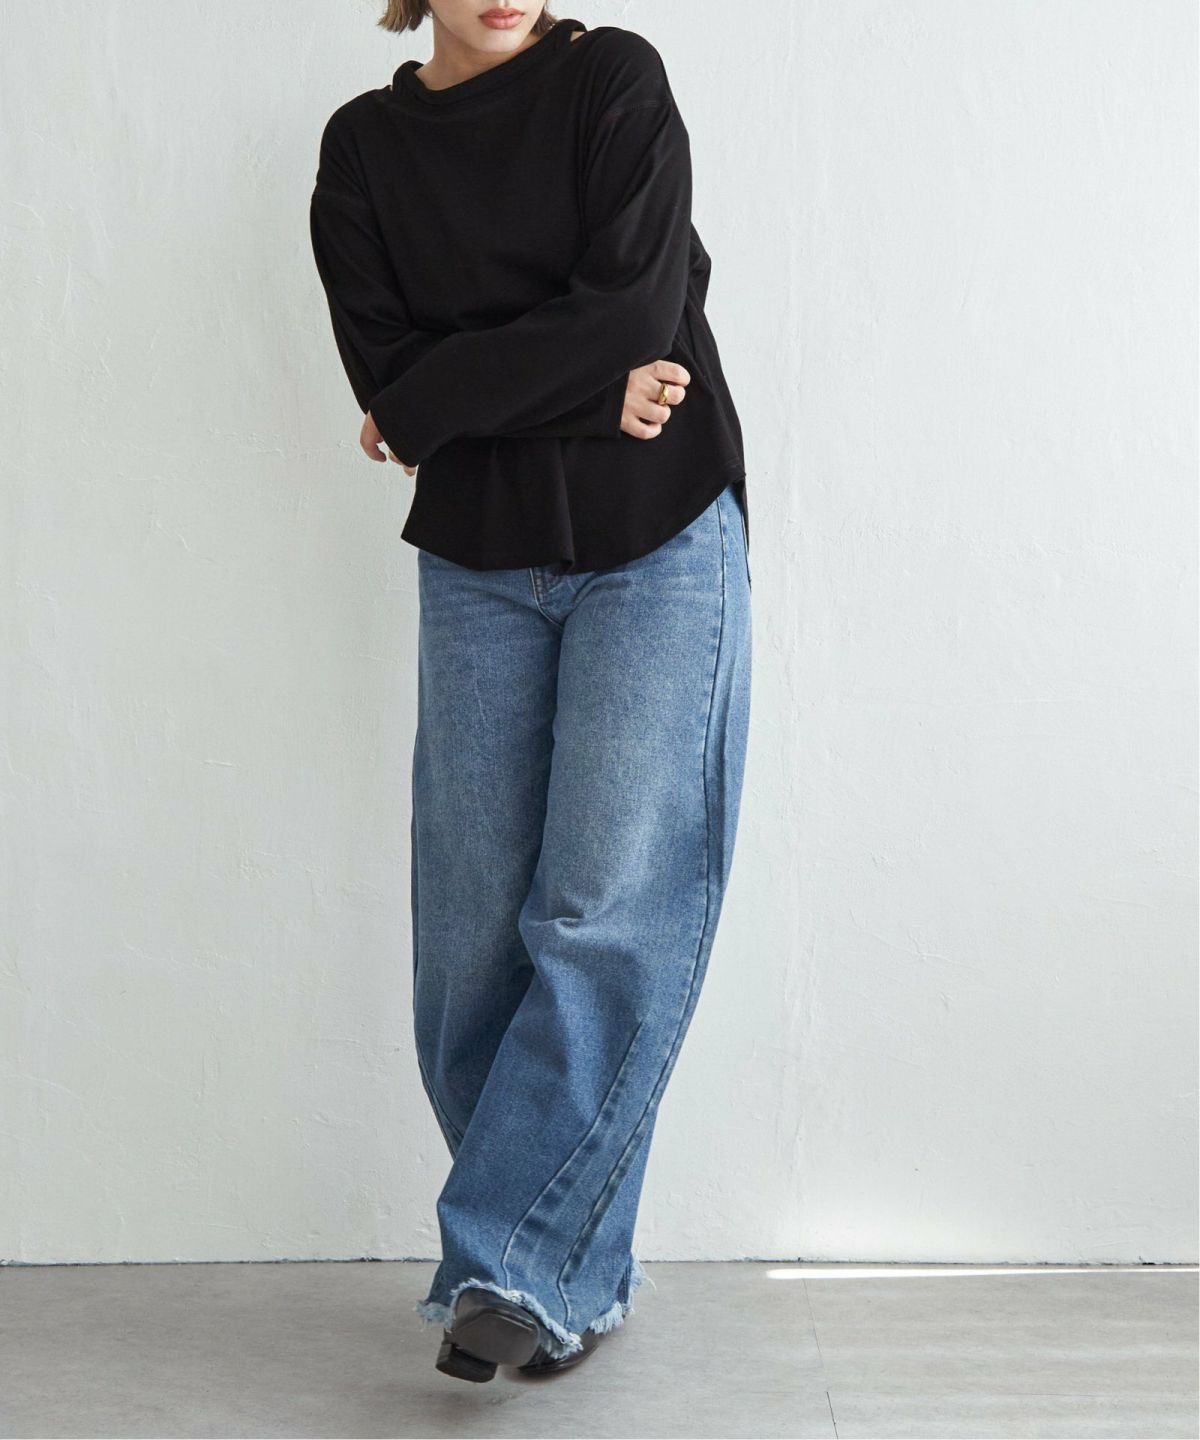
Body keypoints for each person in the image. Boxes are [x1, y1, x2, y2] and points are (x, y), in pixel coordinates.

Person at [309, 0, 752, 1384]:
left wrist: (455, 394)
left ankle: (509, 1269)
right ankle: (564, 1277)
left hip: (658, 538)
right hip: (478, 562)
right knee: (467, 951)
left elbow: (634, 313)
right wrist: (572, 386)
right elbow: (390, 384)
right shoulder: (364, 148)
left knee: (605, 910)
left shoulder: (614, 78)